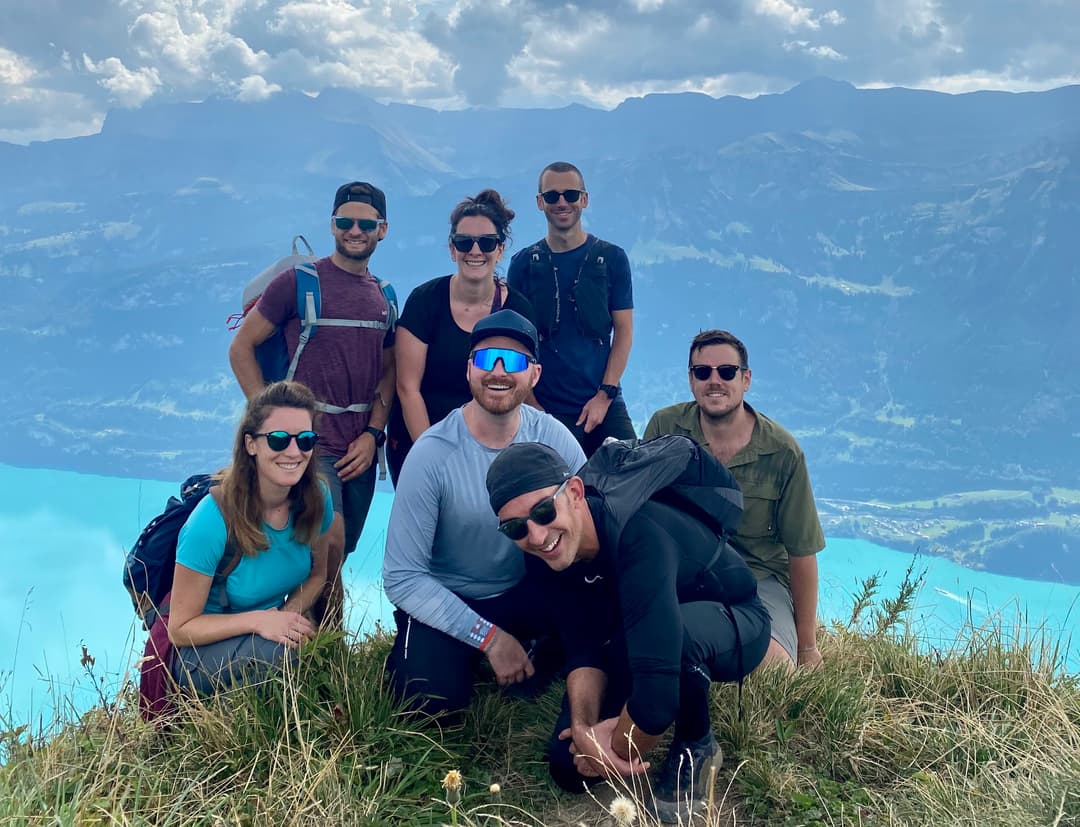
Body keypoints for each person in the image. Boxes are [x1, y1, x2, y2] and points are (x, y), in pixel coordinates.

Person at [487, 436, 770, 822]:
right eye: (516, 528)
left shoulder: (638, 531)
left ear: (573, 492)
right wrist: (584, 730)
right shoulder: (545, 557)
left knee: (674, 643)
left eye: (542, 511)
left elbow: (655, 703)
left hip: (734, 618)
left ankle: (697, 744)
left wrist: (615, 750)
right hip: (640, 627)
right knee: (567, 768)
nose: (536, 536)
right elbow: (582, 646)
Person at [382, 309, 586, 716]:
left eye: (512, 362)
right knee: (428, 705)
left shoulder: (550, 435)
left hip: (527, 587)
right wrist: (491, 639)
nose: (497, 372)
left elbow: (590, 513)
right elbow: (403, 577)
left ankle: (538, 649)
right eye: (484, 359)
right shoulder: (433, 453)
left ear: (534, 375)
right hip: (451, 594)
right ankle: (467, 654)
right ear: (468, 370)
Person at [229, 182, 396, 627]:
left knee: (334, 557)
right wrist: (270, 420)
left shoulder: (386, 296)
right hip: (308, 446)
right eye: (345, 222)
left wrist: (373, 434)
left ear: (383, 230)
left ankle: (315, 656)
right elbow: (242, 347)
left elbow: (388, 373)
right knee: (330, 541)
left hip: (358, 447)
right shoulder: (297, 284)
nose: (354, 231)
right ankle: (312, 650)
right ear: (332, 226)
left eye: (366, 224)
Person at [644, 329, 826, 671]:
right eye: (703, 372)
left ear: (746, 379)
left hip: (759, 578)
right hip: (682, 570)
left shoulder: (783, 452)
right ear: (691, 379)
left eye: (727, 372)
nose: (715, 381)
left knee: (773, 670)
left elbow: (802, 552)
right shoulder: (664, 428)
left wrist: (807, 646)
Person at [168, 381, 333, 694]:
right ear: (251, 444)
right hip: (199, 654)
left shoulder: (316, 498)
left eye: (306, 439)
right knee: (280, 657)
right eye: (279, 440)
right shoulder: (212, 520)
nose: (294, 452)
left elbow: (318, 575)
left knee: (287, 654)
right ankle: (223, 730)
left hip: (264, 637)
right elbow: (180, 629)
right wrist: (260, 622)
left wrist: (284, 619)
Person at [387, 189, 535, 484]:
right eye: (465, 242)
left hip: (492, 447)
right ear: (453, 249)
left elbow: (523, 385)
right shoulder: (425, 301)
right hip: (421, 440)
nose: (475, 251)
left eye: (487, 243)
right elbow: (407, 388)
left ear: (500, 250)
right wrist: (431, 457)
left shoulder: (518, 309)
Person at [507, 161, 635, 456]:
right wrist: (533, 406)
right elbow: (516, 340)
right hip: (544, 407)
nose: (562, 202)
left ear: (584, 199)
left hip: (603, 401)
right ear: (540, 203)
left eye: (571, 195)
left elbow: (624, 332)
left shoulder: (612, 258)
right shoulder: (524, 264)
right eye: (552, 196)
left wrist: (605, 395)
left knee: (632, 481)